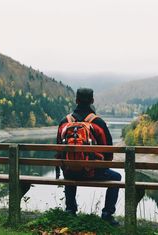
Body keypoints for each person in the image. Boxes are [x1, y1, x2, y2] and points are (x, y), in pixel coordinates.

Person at [56, 88, 121, 225]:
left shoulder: (64, 122)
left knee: (70, 168)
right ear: (92, 100)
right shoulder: (98, 123)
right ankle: (107, 214)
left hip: (69, 172)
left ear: (76, 100)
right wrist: (102, 166)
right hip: (93, 173)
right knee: (117, 178)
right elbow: (108, 151)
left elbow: (59, 149)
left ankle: (70, 210)